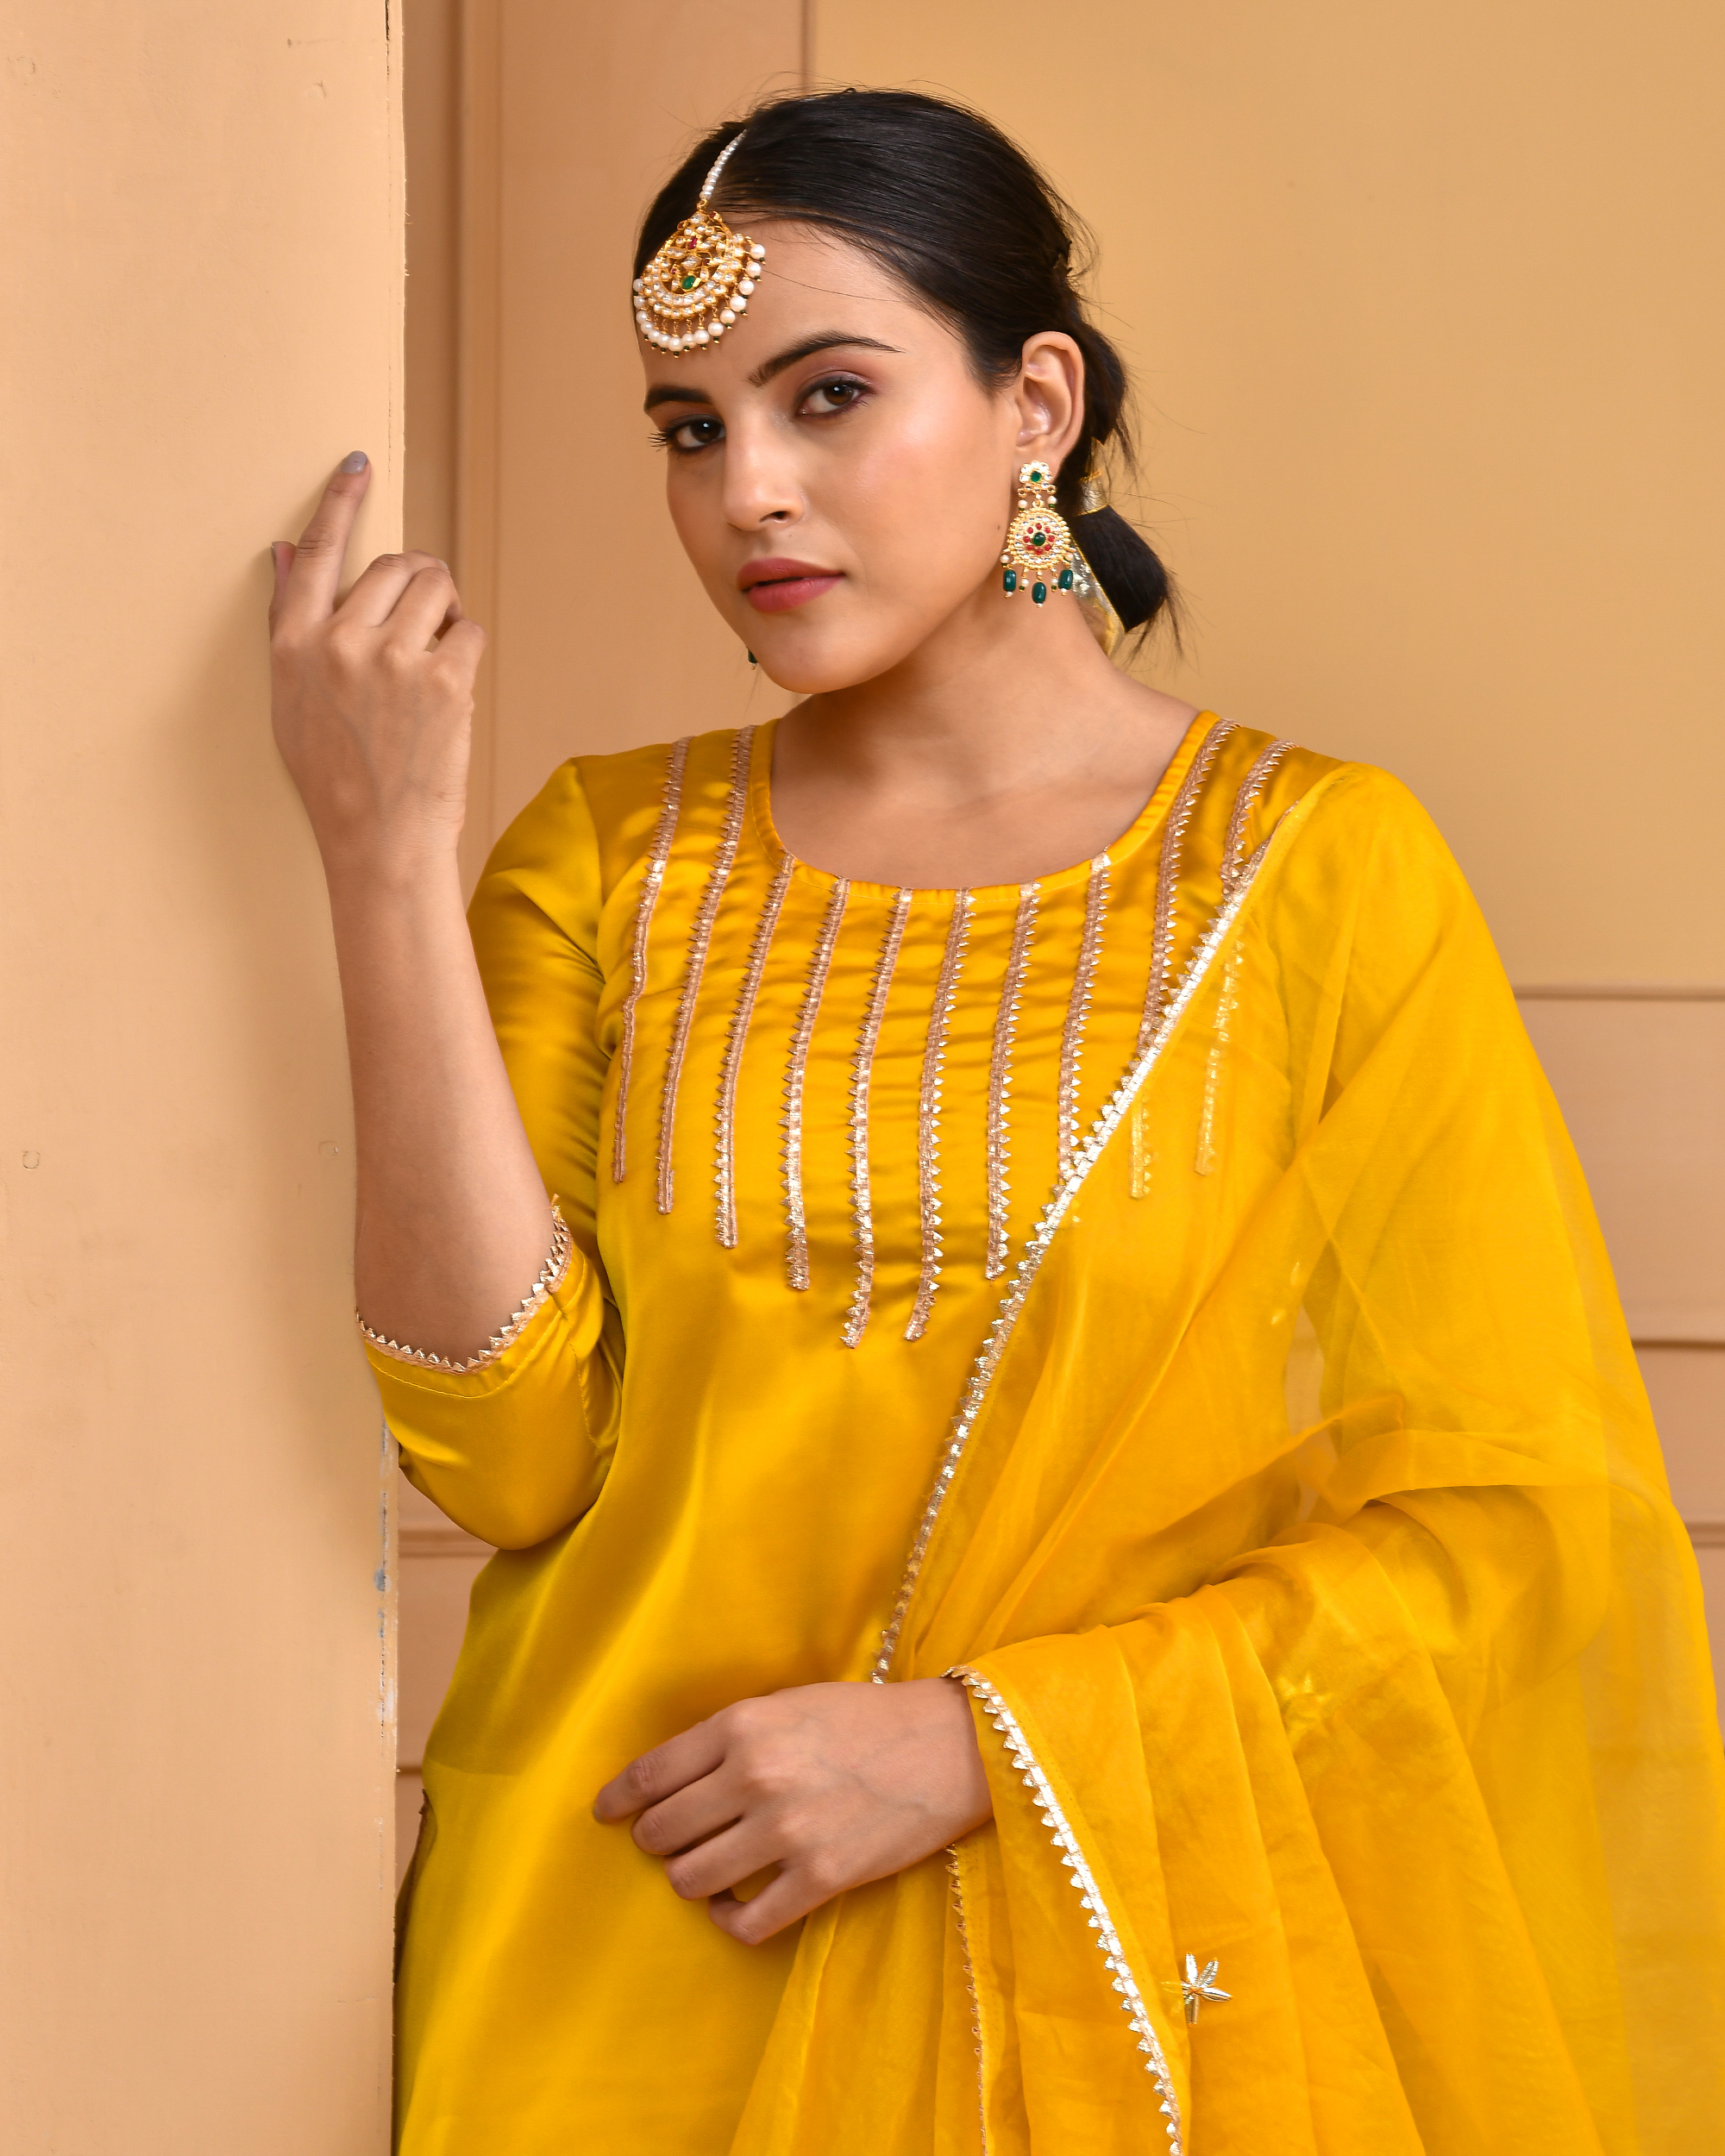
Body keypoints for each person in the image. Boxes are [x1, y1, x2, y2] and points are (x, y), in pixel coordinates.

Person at [268, 88, 1725, 2156]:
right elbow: (504, 1455)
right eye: (687, 427)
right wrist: (383, 857)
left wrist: (979, 1741)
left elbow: (1508, 1525)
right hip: (623, 1937)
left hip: (1116, 1957)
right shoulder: (601, 860)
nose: (747, 490)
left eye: (827, 395)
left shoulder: (1309, 871)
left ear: (1034, 398)